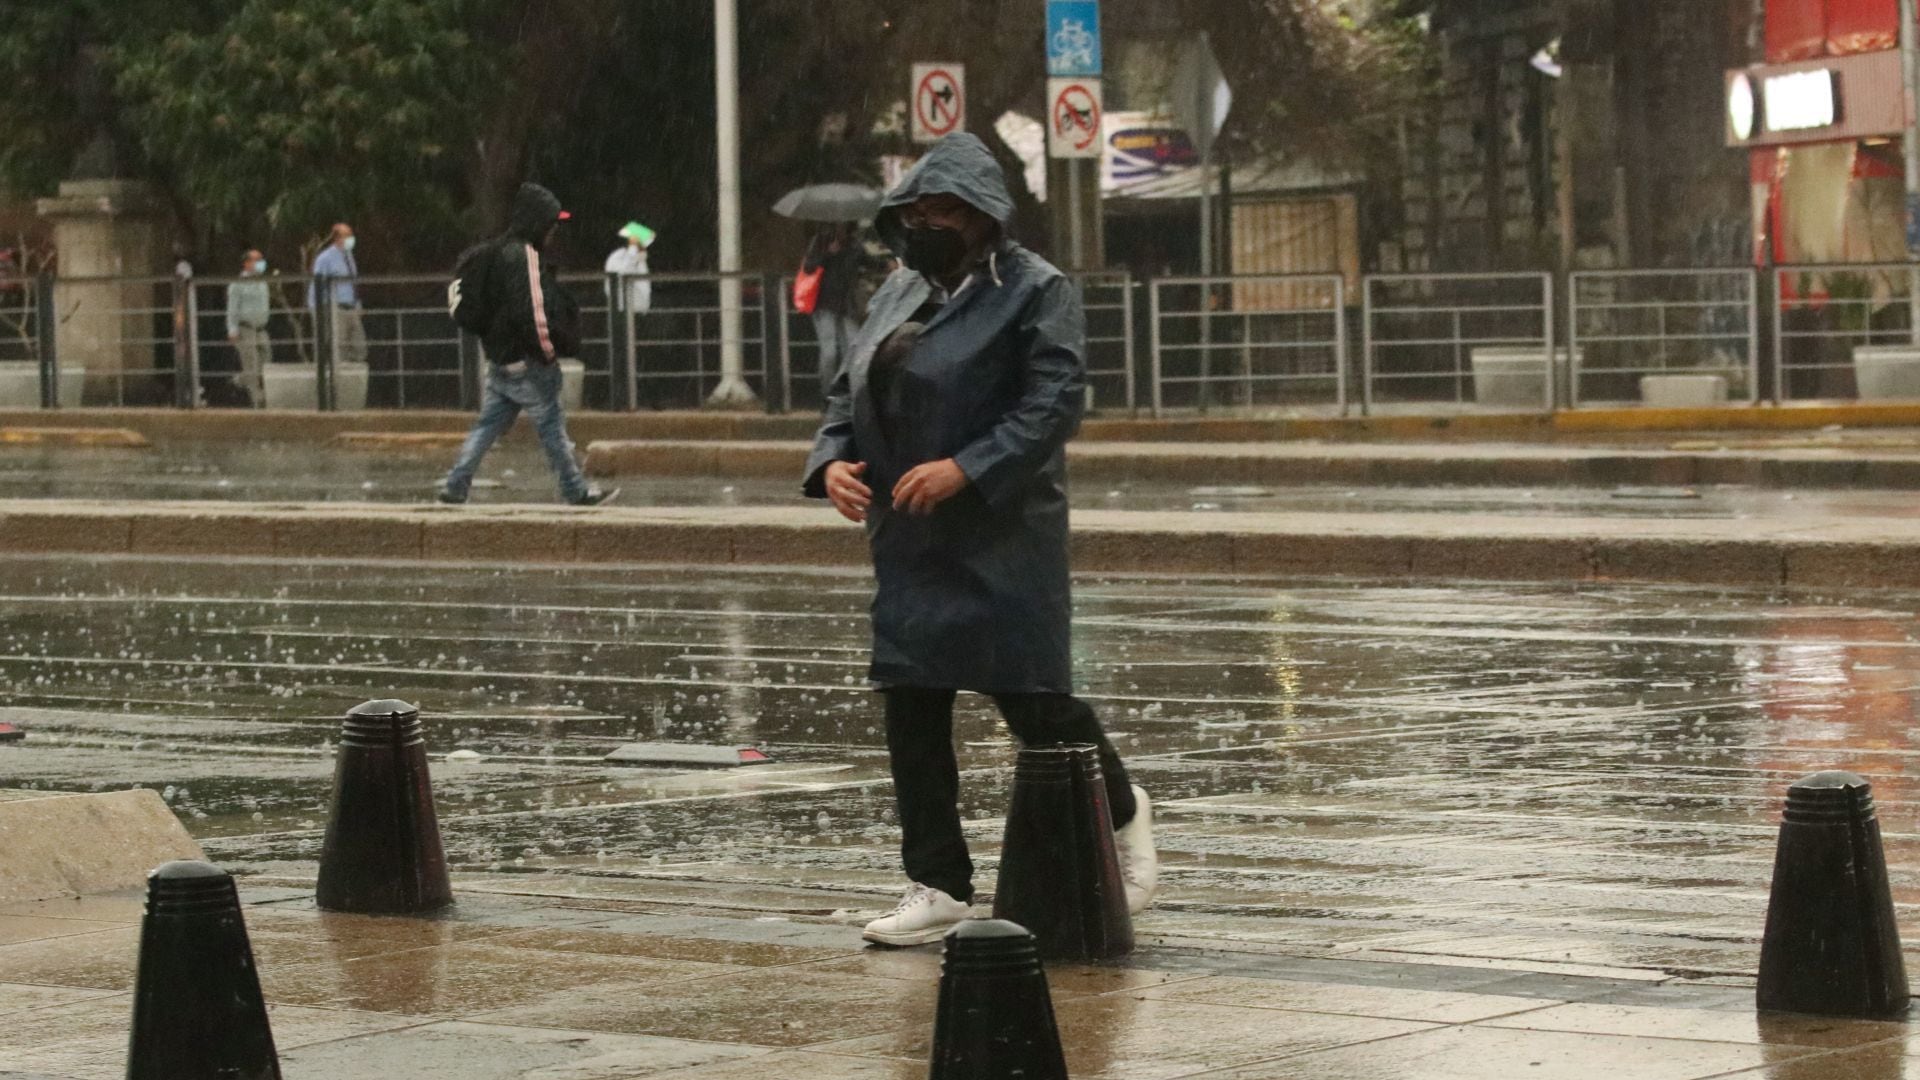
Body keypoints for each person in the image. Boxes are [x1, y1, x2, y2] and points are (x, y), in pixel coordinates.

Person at [801, 133, 1158, 946]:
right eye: (918, 212)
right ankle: (938, 882)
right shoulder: (898, 290)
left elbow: (1052, 402)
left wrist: (967, 467)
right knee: (911, 704)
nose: (929, 226)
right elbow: (844, 391)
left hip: (1001, 536)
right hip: (909, 535)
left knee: (1034, 701)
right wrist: (831, 464)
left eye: (947, 213)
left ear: (986, 216)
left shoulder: (1037, 290)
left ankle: (1125, 814)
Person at [438, 182, 617, 507]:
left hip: (499, 361)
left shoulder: (492, 253)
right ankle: (575, 490)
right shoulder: (524, 257)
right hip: (529, 362)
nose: (553, 232)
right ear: (538, 223)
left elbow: (493, 309)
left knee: (486, 427)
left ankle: (455, 485)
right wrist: (548, 353)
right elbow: (532, 311)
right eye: (551, 224)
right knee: (552, 428)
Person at [804, 222, 867, 395]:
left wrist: (886, 265)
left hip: (846, 305)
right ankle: (828, 393)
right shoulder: (821, 241)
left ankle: (851, 393)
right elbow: (808, 267)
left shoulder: (854, 245)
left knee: (852, 349)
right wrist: (827, 255)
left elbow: (867, 261)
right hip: (824, 303)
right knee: (829, 352)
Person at [308, 223, 366, 367]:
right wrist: (316, 311)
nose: (351, 238)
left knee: (359, 347)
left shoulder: (348, 255)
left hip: (351, 308)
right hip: (335, 309)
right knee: (340, 349)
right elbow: (316, 285)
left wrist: (358, 304)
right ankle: (341, 385)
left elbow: (353, 281)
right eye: (347, 235)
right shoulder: (325, 258)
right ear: (337, 238)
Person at [225, 249, 271, 406]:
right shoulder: (237, 284)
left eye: (261, 259)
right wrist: (232, 329)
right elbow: (232, 308)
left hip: (261, 328)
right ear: (246, 263)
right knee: (250, 364)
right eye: (256, 260)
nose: (260, 263)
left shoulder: (262, 282)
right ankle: (257, 401)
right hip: (246, 329)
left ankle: (238, 381)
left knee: (266, 362)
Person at [603, 221, 654, 316]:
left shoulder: (636, 257)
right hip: (624, 311)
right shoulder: (619, 255)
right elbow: (623, 273)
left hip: (638, 310)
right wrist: (633, 249)